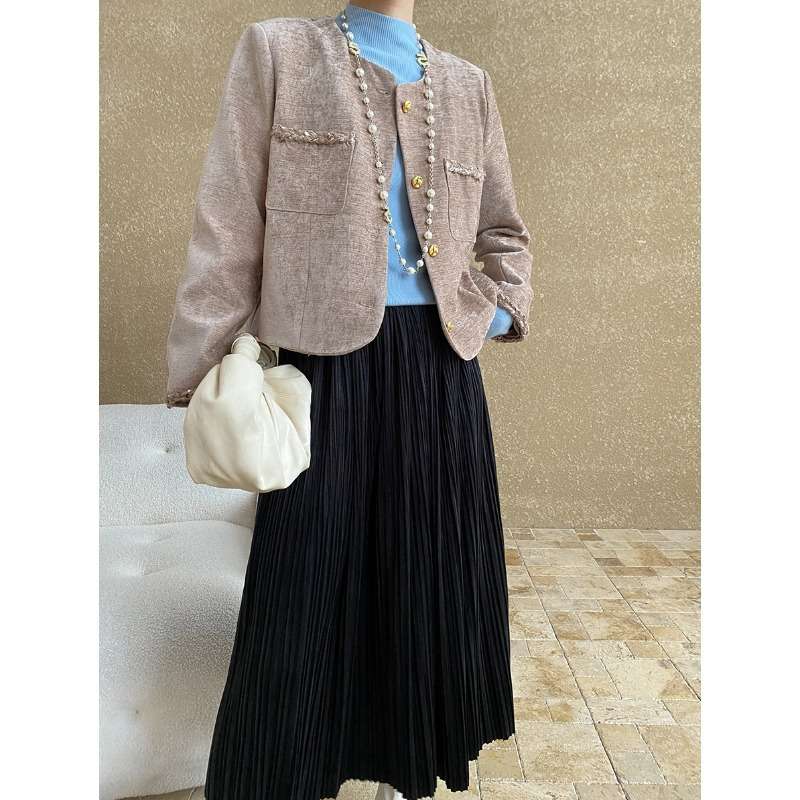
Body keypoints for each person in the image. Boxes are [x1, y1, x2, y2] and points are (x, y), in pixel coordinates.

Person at [165, 3, 533, 799]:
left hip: (441, 370)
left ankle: (404, 759)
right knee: (303, 589)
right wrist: (204, 371)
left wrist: (498, 308)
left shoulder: (467, 84)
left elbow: (505, 232)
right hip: (320, 368)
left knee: (426, 580)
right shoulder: (280, 53)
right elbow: (227, 218)